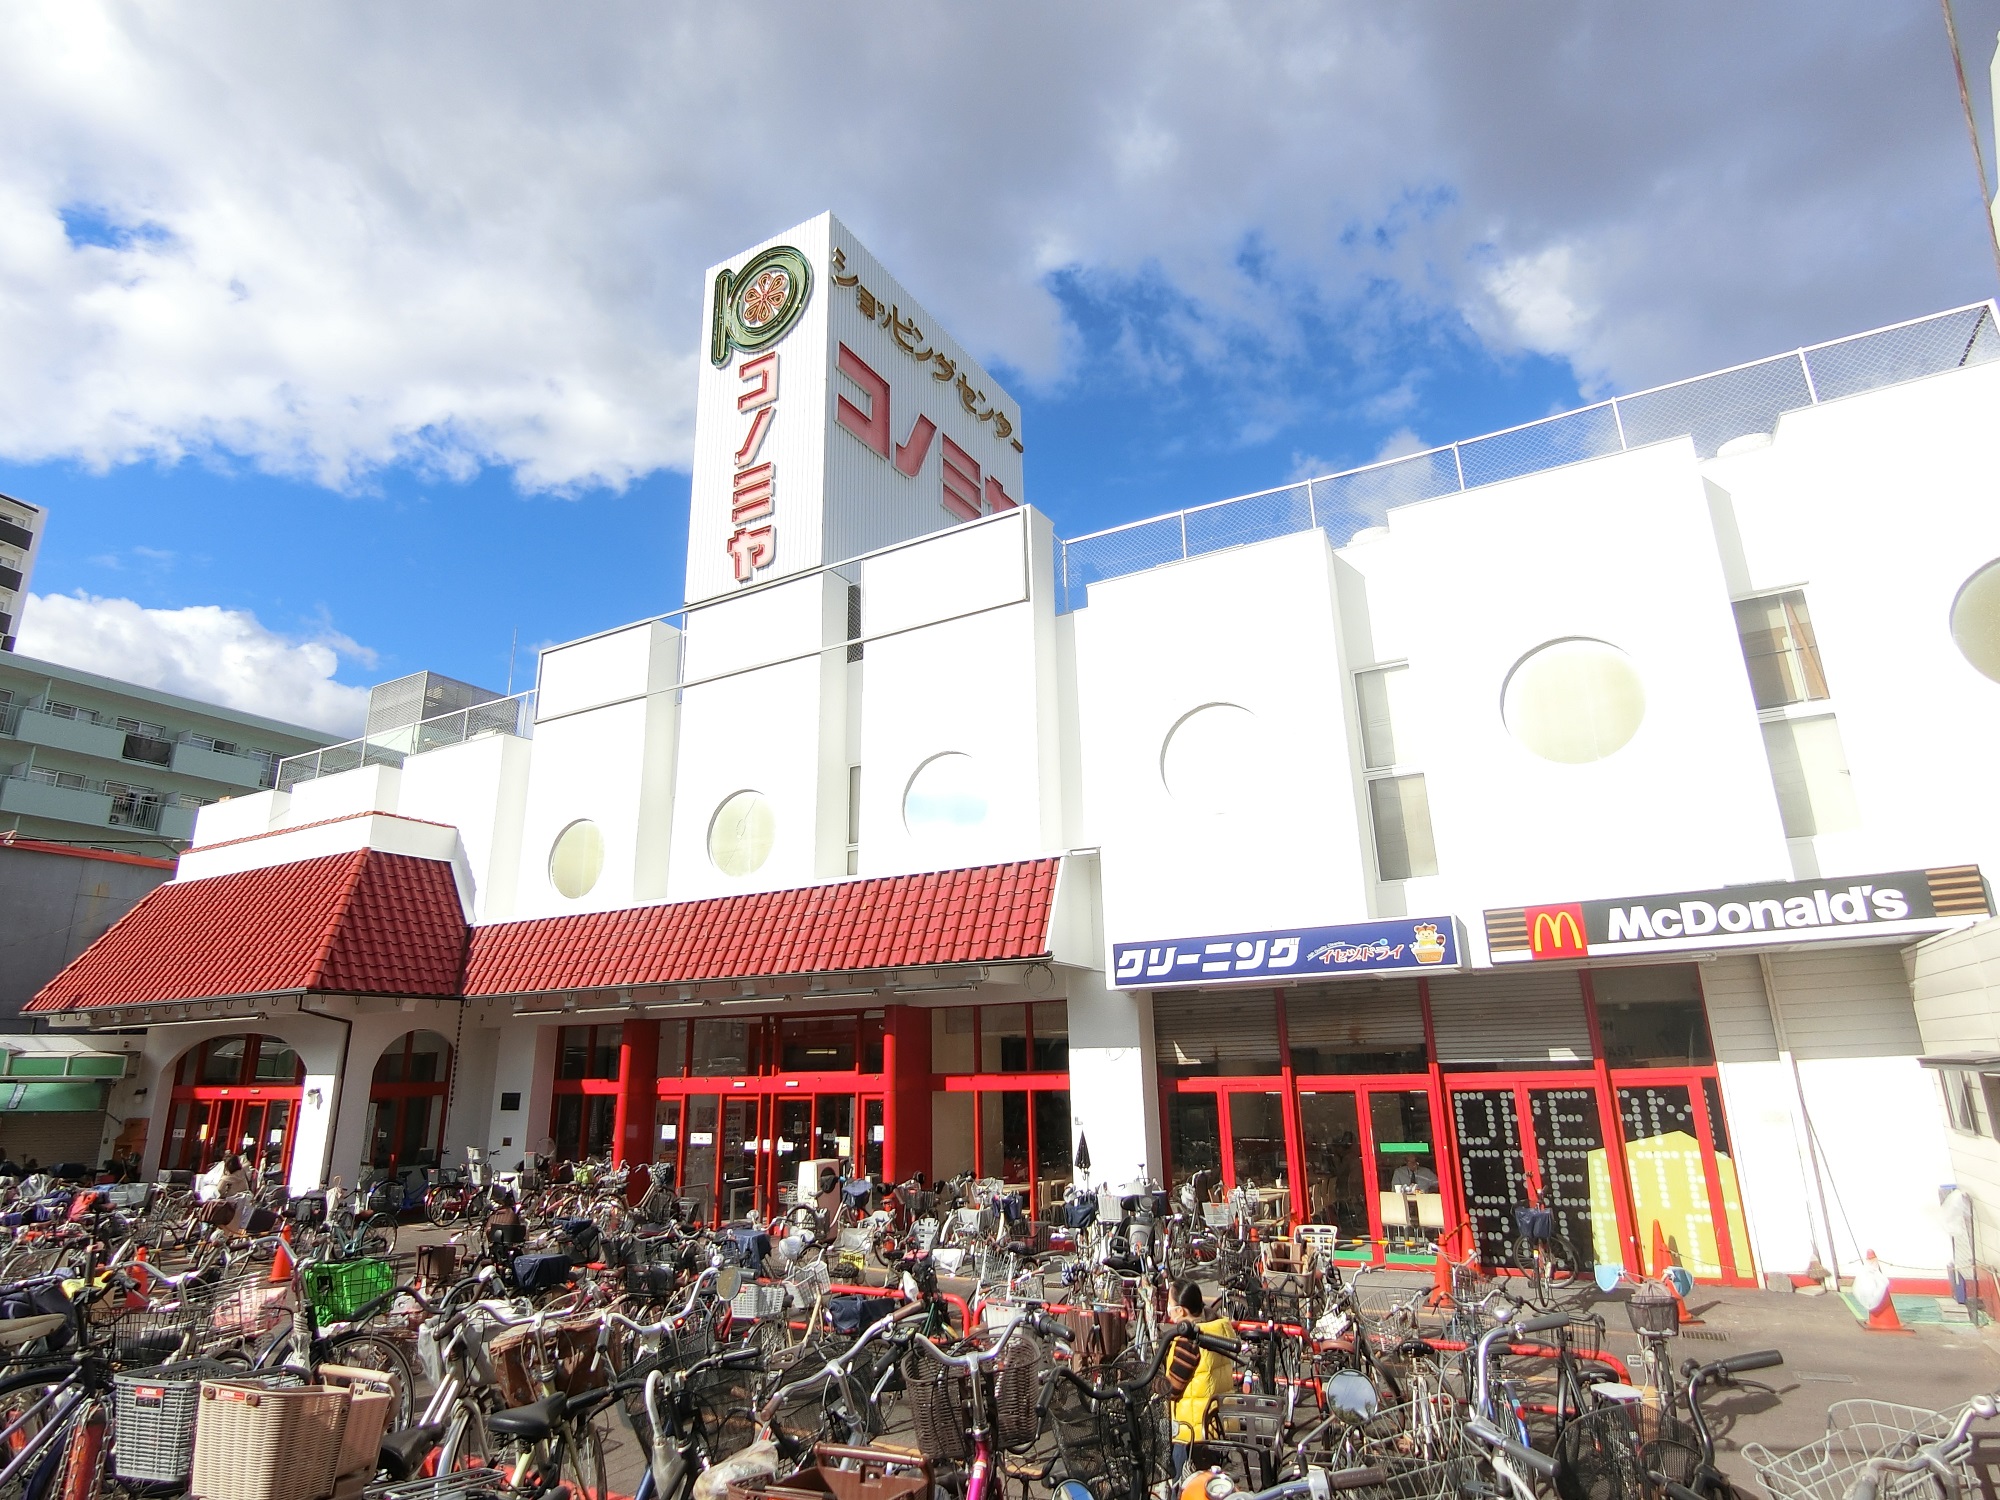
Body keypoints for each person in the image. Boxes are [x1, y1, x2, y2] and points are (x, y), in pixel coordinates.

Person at [1164, 1282, 1234, 1479]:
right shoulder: (1218, 1327)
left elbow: (1173, 1388)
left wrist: (1153, 1384)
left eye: (1169, 1304)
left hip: (1190, 1433)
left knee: (1182, 1485)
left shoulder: (1189, 1339)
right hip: (1216, 1425)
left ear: (1180, 1310)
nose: (1167, 1309)